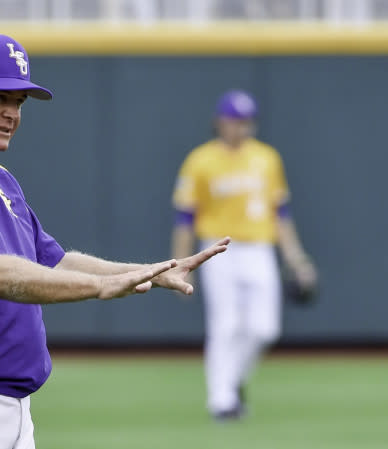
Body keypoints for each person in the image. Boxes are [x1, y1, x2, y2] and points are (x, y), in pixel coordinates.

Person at [0, 29, 230, 449]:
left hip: (13, 406)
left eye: (18, 102)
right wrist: (98, 287)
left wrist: (144, 272)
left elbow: (53, 261)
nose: (12, 113)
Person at [171, 89, 317, 421]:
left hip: (259, 248)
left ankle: (233, 380)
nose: (241, 127)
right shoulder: (201, 160)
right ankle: (221, 401)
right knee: (225, 325)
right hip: (218, 249)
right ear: (220, 122)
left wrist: (297, 259)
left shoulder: (266, 158)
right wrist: (180, 264)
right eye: (235, 121)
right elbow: (185, 218)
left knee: (265, 329)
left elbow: (281, 214)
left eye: (246, 121)